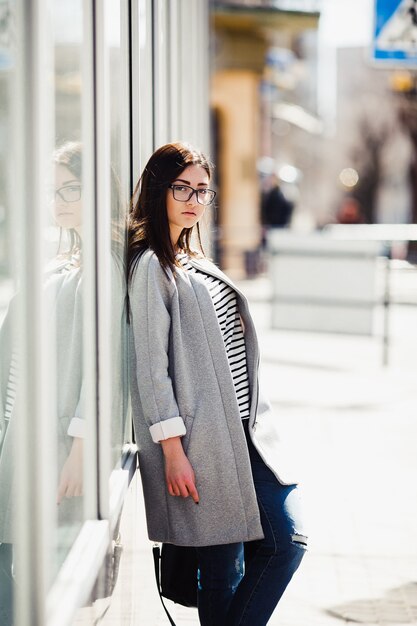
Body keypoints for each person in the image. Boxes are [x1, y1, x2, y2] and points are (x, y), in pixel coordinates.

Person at [127, 142, 307, 626]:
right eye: (180, 187)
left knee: (269, 549)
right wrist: (172, 449)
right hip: (200, 442)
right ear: (158, 190)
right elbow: (150, 367)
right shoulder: (152, 267)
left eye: (201, 190)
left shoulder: (189, 258)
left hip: (243, 434)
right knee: (241, 560)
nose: (192, 199)